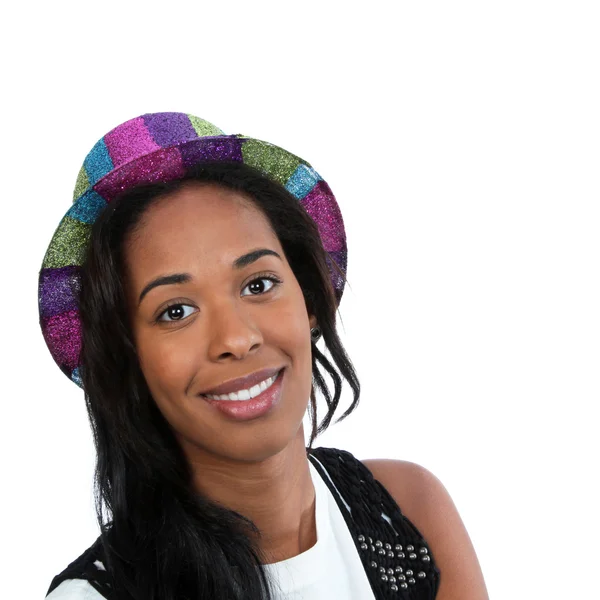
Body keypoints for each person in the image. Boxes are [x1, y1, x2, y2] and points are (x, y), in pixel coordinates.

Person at [39, 112, 488, 600]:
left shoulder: (409, 509)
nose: (236, 337)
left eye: (259, 284)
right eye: (176, 311)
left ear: (309, 299)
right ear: (127, 361)